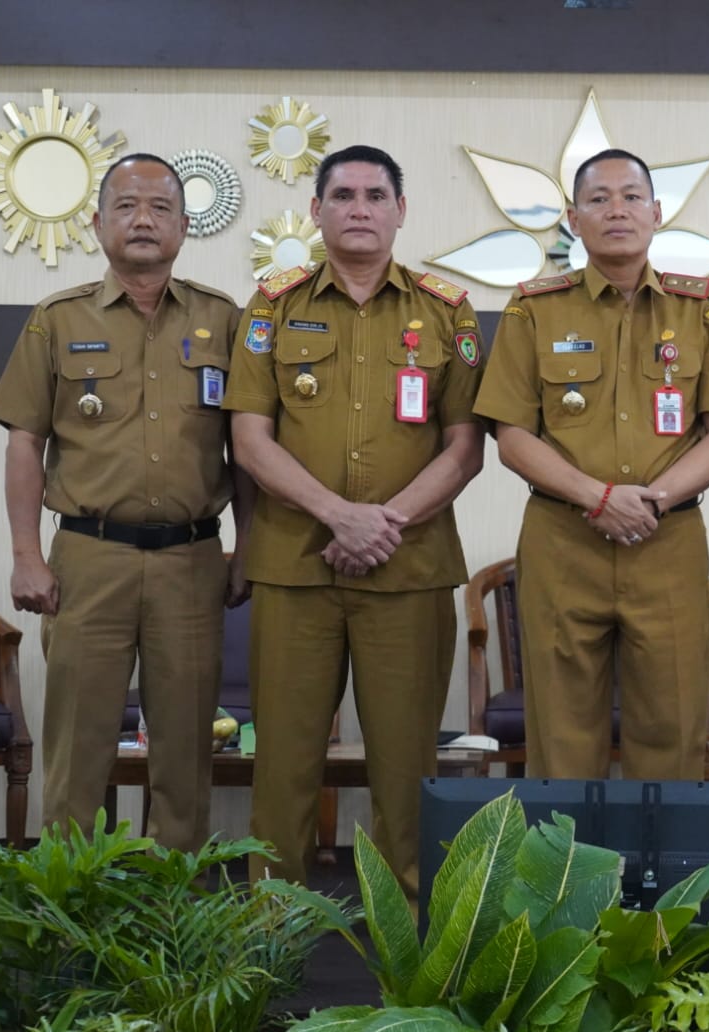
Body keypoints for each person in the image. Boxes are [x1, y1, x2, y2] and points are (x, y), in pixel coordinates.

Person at [223, 145, 484, 893]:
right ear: (316, 211)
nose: (360, 208)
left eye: (376, 195)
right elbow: (248, 438)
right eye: (343, 195)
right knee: (283, 763)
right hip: (294, 567)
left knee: (407, 765)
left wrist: (382, 523)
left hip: (409, 571)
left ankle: (412, 939)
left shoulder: (447, 311)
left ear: (401, 211)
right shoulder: (273, 304)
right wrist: (339, 516)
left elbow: (465, 448)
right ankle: (272, 933)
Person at [0, 152, 251, 851]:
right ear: (98, 222)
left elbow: (248, 449)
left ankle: (173, 919)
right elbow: (24, 442)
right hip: (87, 559)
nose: (143, 220)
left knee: (186, 750)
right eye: (127, 206)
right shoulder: (57, 319)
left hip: (193, 561)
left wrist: (247, 547)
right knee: (79, 746)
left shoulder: (224, 321)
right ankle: (69, 917)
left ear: (185, 226)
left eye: (161, 208)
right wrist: (25, 557)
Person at [474, 148, 709, 780]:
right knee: (562, 738)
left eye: (631, 197)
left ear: (657, 213)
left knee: (672, 731)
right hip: (563, 541)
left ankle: (665, 882)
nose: (617, 210)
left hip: (668, 540)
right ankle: (566, 881)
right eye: (599, 199)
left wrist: (650, 500)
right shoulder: (533, 308)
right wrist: (598, 498)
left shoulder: (701, 308)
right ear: (573, 218)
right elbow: (512, 435)